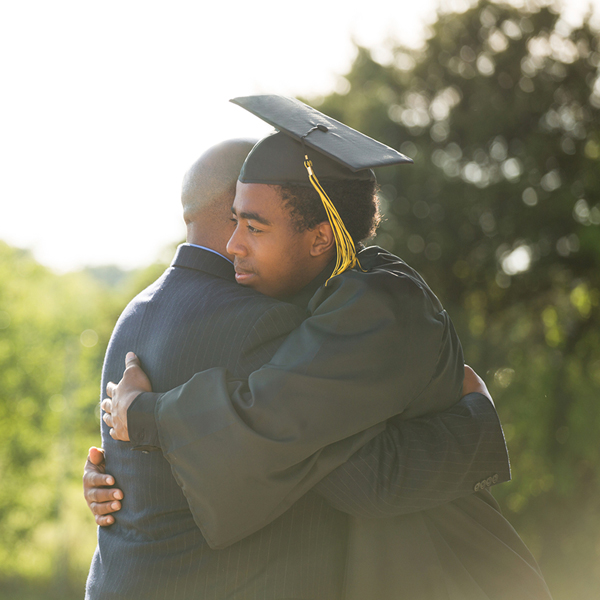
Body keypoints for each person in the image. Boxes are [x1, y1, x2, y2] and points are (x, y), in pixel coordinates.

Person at [94, 96, 551, 597]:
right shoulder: (318, 304)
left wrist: (478, 424)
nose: (234, 246)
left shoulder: (375, 306)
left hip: (450, 569)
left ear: (318, 238)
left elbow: (359, 473)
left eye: (253, 225)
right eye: (237, 221)